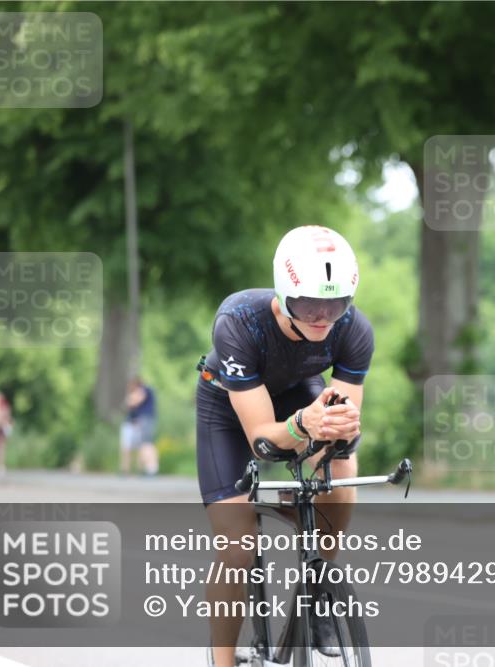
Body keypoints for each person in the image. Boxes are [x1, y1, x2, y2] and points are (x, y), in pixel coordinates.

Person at [196, 225, 371, 667]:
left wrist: (341, 429)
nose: (322, 316)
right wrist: (303, 424)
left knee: (341, 470)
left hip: (295, 392)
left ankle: (320, 590)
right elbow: (260, 440)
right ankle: (221, 662)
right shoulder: (238, 320)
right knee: (238, 545)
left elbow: (343, 431)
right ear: (284, 291)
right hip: (227, 409)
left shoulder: (354, 330)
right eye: (309, 302)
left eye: (335, 304)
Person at [121, 377, 159, 476]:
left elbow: (133, 401)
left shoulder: (144, 389)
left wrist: (130, 399)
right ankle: (150, 468)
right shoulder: (147, 390)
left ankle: (151, 468)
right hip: (146, 419)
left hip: (145, 419)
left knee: (146, 444)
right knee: (147, 443)